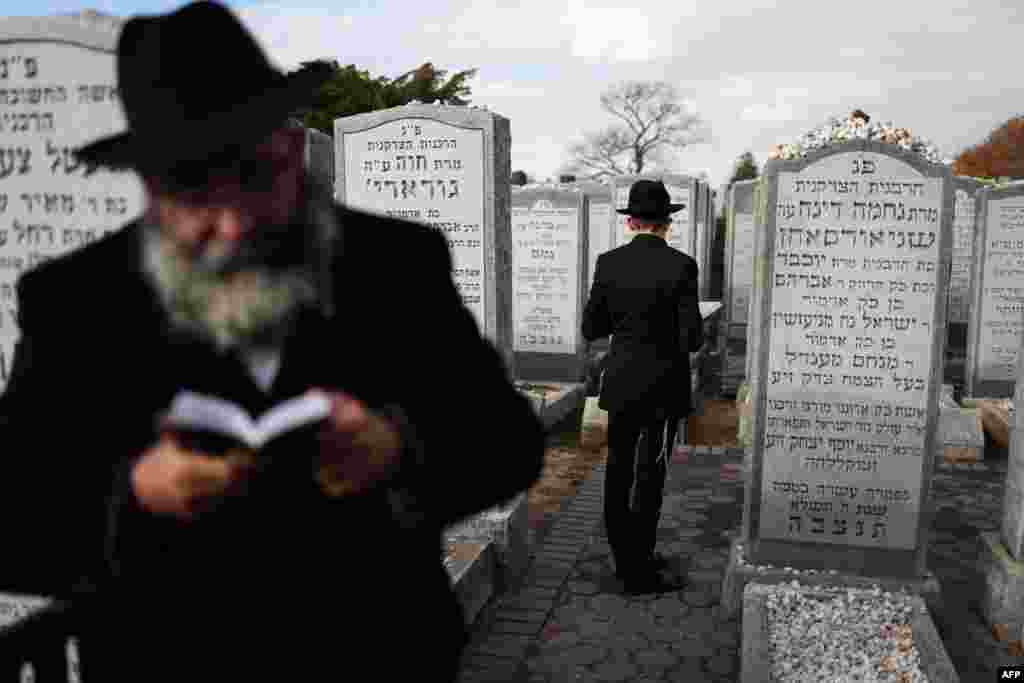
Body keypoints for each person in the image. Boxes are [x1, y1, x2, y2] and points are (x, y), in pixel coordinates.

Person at [0, 2, 545, 680]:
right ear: (148, 183)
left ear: (290, 153)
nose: (231, 226)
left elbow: (508, 443)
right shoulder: (77, 302)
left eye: (254, 176)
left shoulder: (395, 263)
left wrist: (397, 448)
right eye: (193, 186)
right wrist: (132, 491)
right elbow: (15, 515)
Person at [581, 179, 703, 594]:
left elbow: (591, 327)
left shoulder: (608, 263)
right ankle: (642, 561)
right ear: (667, 223)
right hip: (665, 385)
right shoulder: (683, 267)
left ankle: (623, 558)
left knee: (618, 467)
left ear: (631, 221)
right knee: (652, 472)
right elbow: (693, 339)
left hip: (623, 381)